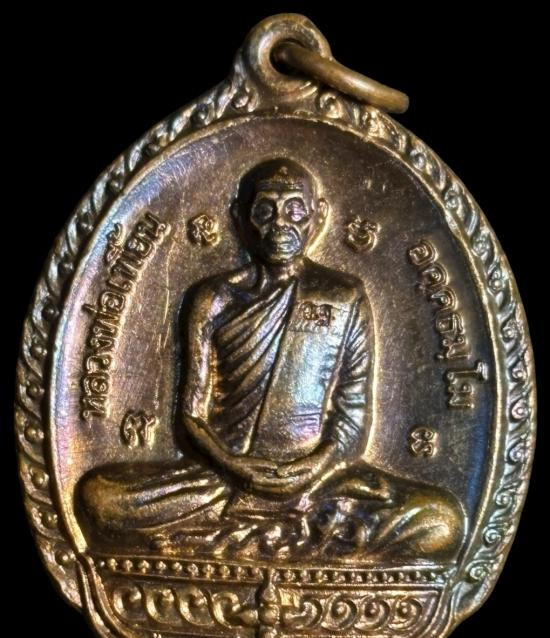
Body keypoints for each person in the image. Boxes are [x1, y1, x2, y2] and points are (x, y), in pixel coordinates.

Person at [78, 158, 465, 562]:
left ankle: (241, 538)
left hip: (319, 483)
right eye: (265, 210)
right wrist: (235, 467)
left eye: (294, 209)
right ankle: (291, 536)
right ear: (239, 218)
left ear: (318, 216)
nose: (281, 224)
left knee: (441, 521)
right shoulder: (214, 299)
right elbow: (190, 417)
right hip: (223, 479)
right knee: (99, 499)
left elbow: (352, 412)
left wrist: (315, 466)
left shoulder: (343, 296)